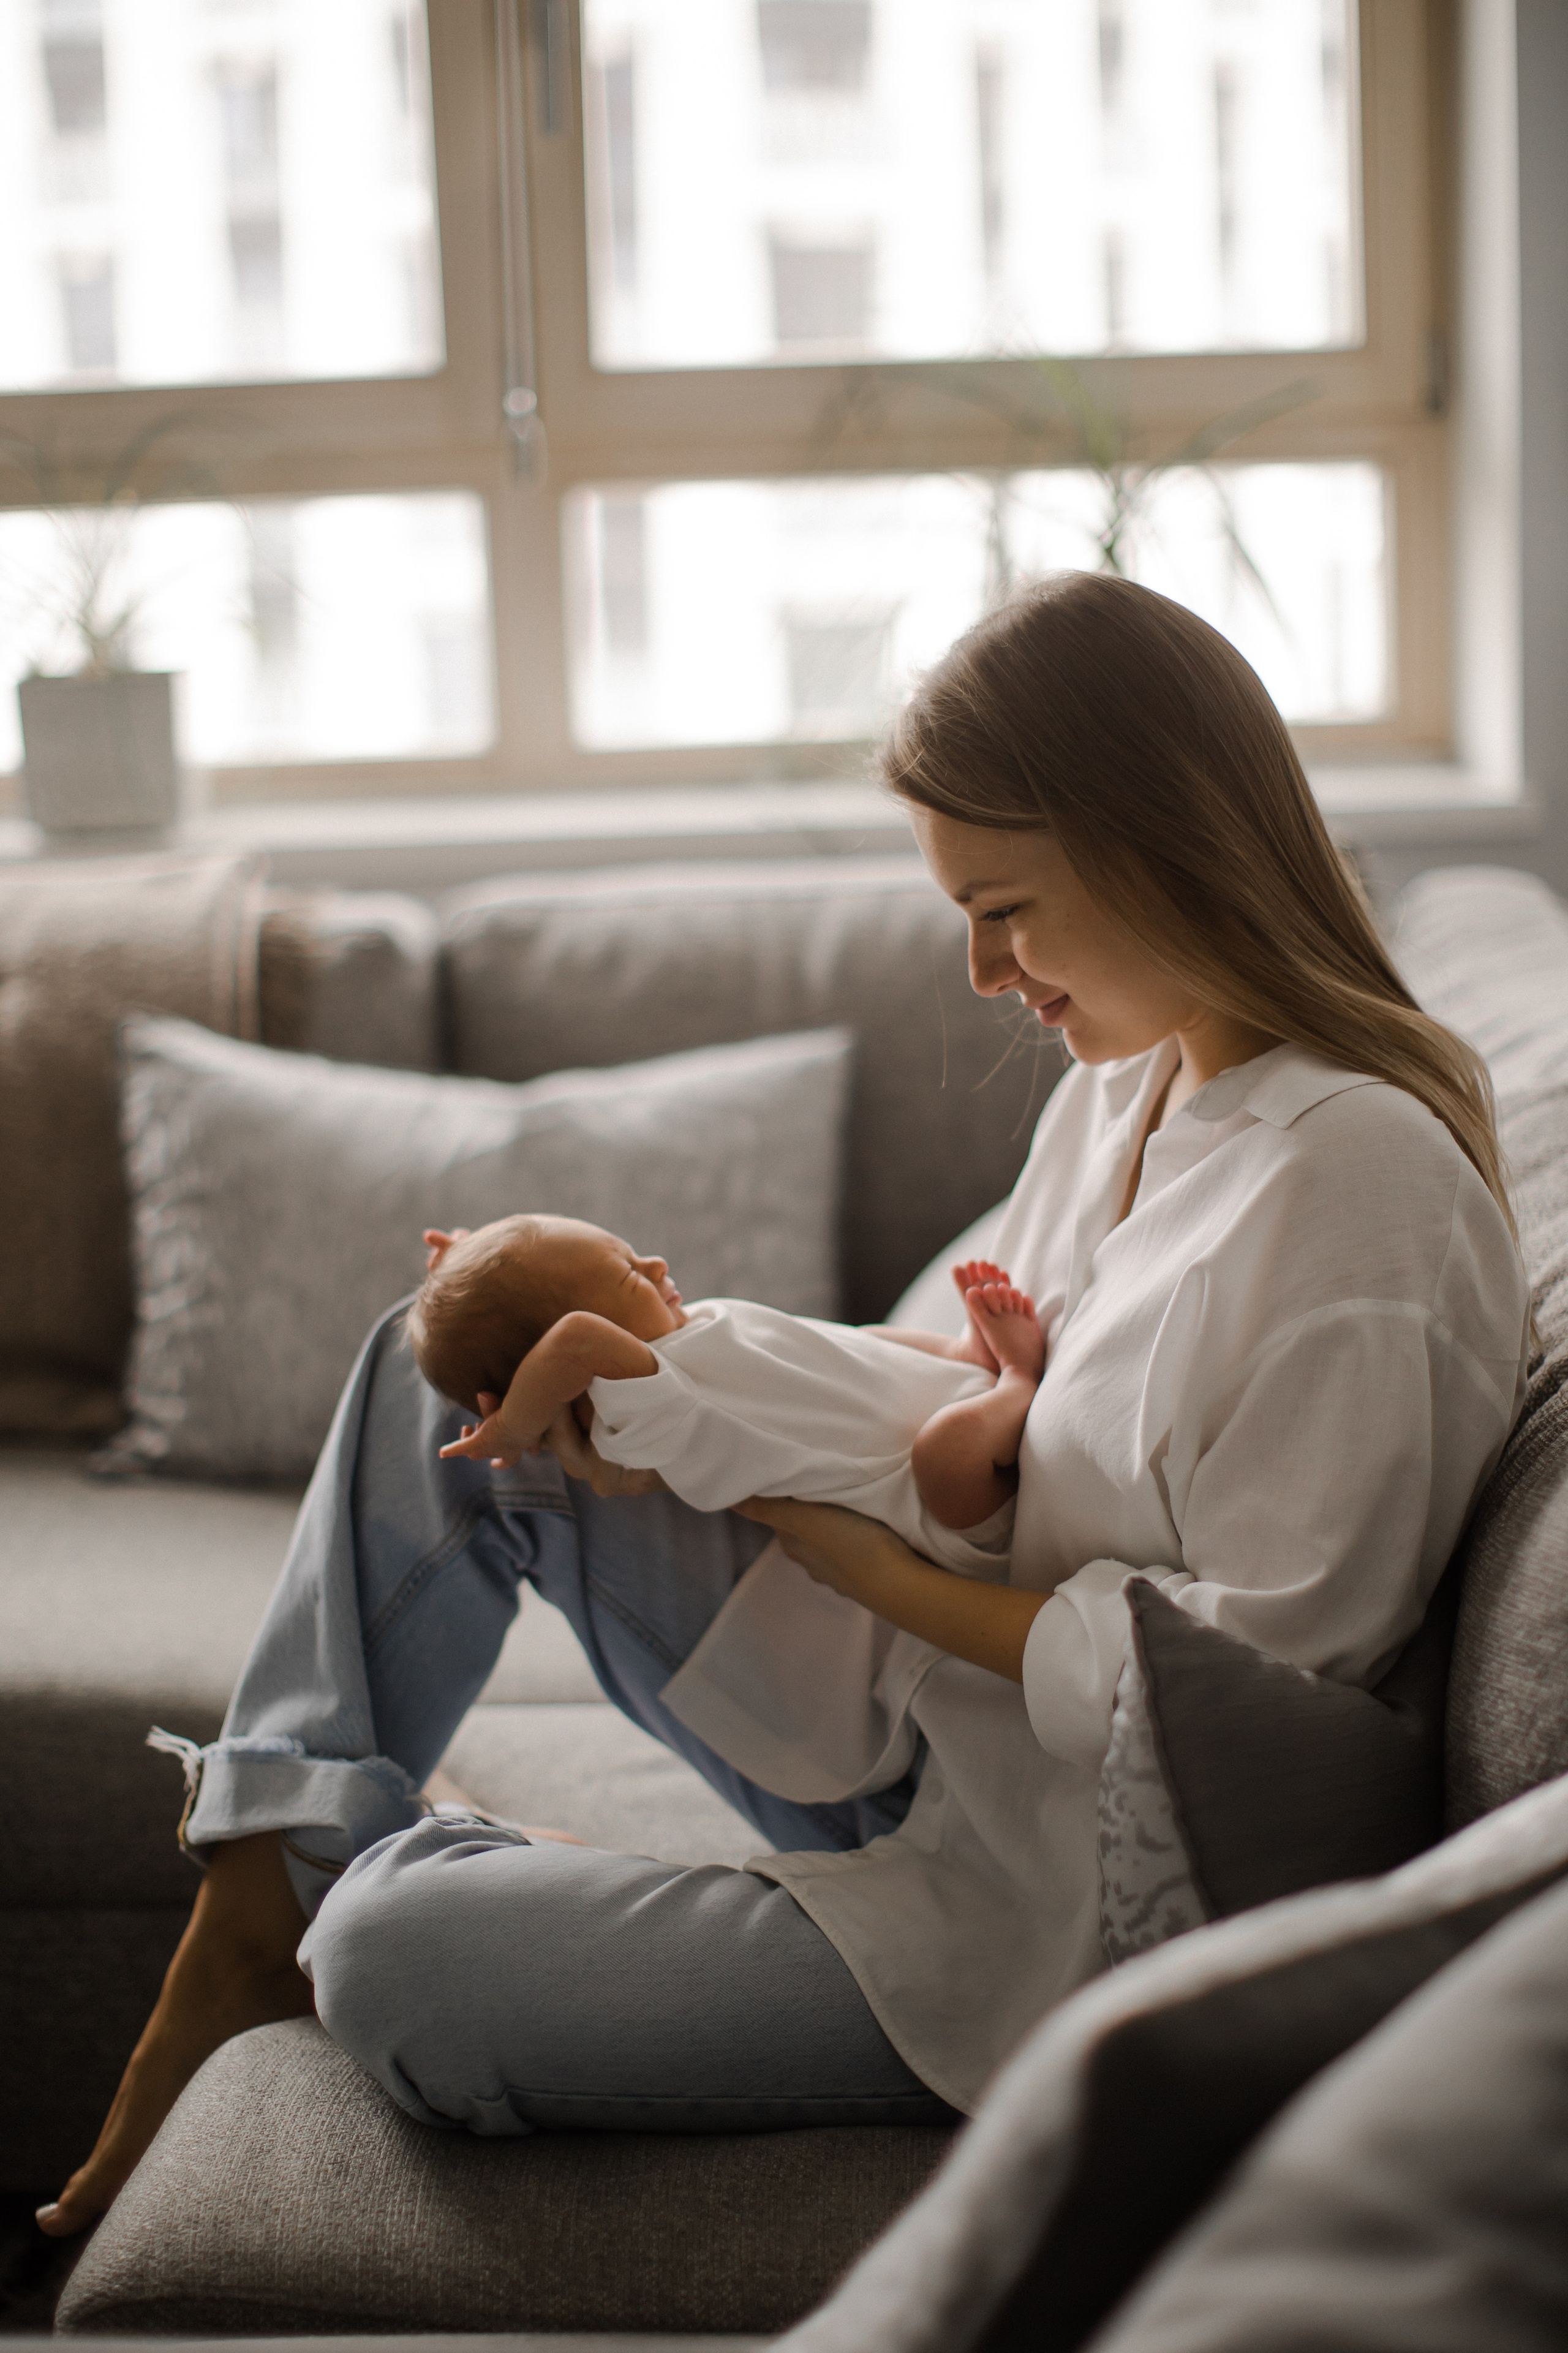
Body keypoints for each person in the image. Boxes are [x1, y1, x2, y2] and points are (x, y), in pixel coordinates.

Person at [39, 572, 1531, 2238]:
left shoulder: (1358, 1193)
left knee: (399, 1955)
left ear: (1159, 838)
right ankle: (255, 1907)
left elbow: (1245, 1691)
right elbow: (936, 1385)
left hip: (1047, 1910)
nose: (981, 970)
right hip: (911, 1729)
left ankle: (397, 1882)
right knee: (445, 1360)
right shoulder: (1136, 1084)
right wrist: (674, 1383)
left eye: (1004, 908)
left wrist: (854, 1556)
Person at [410, 1212, 1045, 1558]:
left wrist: (477, 1255)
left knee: (856, 1341)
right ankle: (1018, 1379)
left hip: (938, 1396)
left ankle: (963, 1356)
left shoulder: (683, 1338)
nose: (655, 1264)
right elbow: (574, 1337)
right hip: (950, 1509)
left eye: (634, 1251)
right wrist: (514, 1424)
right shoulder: (638, 1409)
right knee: (941, 1450)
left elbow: (553, 1328)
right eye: (628, 1275)